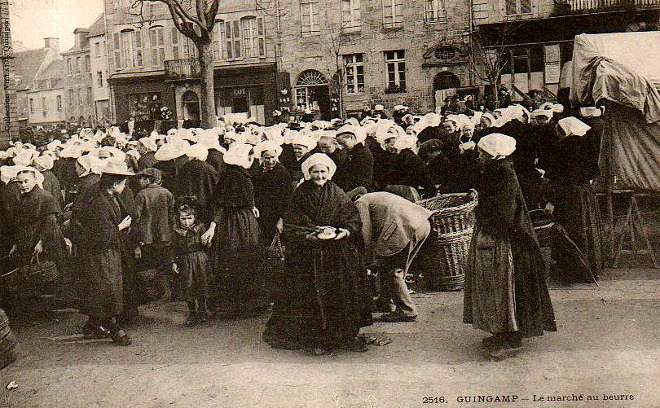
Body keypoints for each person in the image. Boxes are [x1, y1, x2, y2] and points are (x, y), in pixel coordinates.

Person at [263, 153, 373, 355]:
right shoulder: (300, 194)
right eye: (315, 172)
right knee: (310, 297)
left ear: (329, 173)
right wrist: (311, 234)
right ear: (308, 173)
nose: (319, 176)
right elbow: (292, 223)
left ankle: (342, 336)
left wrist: (343, 232)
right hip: (308, 255)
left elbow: (352, 219)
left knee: (338, 293)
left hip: (336, 255)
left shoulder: (337, 194)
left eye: (323, 172)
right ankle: (316, 338)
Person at [463, 133, 556, 360]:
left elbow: (503, 211)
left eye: (483, 153)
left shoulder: (504, 173)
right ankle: (502, 331)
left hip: (507, 239)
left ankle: (512, 337)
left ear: (493, 154)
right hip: (498, 233)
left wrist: (480, 215)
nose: (480, 157)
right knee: (495, 286)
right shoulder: (496, 171)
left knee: (507, 286)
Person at [75, 159, 134, 345]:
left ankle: (93, 324)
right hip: (101, 254)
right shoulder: (100, 202)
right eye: (123, 182)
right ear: (115, 183)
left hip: (107, 253)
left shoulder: (107, 197)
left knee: (104, 288)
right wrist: (121, 226)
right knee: (107, 289)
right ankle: (115, 328)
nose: (125, 186)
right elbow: (102, 234)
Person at [352, 189, 434, 322]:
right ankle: (385, 301)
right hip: (422, 223)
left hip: (403, 227)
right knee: (390, 264)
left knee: (393, 270)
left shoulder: (360, 202)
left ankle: (407, 310)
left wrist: (367, 258)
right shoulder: (377, 196)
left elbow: (365, 232)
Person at [205, 143, 265, 316]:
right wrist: (213, 226)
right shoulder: (234, 176)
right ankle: (240, 305)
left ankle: (243, 304)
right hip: (236, 222)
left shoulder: (238, 174)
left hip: (242, 220)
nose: (251, 159)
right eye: (249, 156)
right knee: (237, 259)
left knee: (242, 259)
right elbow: (221, 203)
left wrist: (252, 205)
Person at [132, 168, 175, 302]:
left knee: (149, 266)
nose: (139, 181)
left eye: (142, 178)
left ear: (148, 180)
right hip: (165, 236)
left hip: (147, 238)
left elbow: (136, 218)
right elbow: (172, 215)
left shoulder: (141, 195)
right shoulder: (167, 193)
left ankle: (153, 295)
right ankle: (167, 293)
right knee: (165, 265)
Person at [171, 197, 212, 326]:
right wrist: (174, 262)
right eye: (183, 219)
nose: (187, 222)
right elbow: (173, 248)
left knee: (202, 284)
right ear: (178, 218)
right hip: (185, 262)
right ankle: (192, 312)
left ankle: (202, 309)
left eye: (189, 218)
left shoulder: (200, 228)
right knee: (188, 287)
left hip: (200, 260)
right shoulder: (177, 231)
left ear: (195, 218)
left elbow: (207, 245)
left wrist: (207, 242)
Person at [252, 141, 292, 245]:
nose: (270, 161)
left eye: (273, 157)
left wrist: (281, 219)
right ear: (261, 157)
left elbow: (287, 198)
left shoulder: (282, 172)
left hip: (275, 214)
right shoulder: (258, 170)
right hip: (260, 213)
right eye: (267, 158)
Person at [175, 144, 219, 225]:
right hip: (205, 206)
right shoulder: (209, 169)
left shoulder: (184, 167)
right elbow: (214, 188)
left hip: (187, 207)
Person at [334, 125, 374, 192]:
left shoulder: (363, 153)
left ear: (351, 138)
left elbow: (364, 179)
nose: (341, 147)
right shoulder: (352, 151)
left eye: (343, 143)